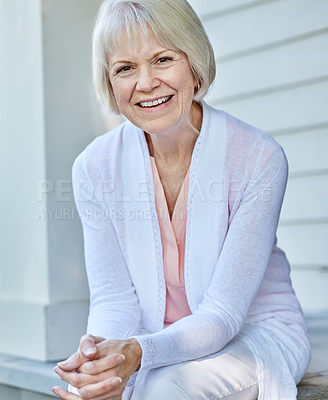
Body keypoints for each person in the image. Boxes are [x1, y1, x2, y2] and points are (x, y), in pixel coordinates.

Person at [52, 0, 311, 399]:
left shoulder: (258, 157)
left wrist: (138, 352)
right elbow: (114, 300)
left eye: (162, 59)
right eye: (125, 68)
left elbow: (223, 315)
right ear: (109, 81)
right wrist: (101, 361)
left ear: (194, 65)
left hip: (253, 332)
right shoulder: (94, 168)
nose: (145, 82)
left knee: (166, 386)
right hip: (153, 340)